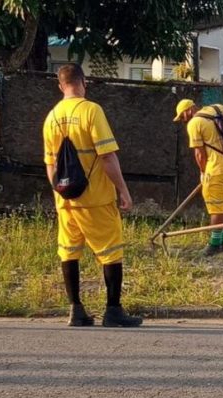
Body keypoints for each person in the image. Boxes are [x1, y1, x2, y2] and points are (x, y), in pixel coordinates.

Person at [43, 63, 142, 327]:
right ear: (83, 82)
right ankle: (113, 310)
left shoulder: (51, 117)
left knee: (69, 251)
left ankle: (76, 310)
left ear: (60, 85)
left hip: (65, 200)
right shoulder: (91, 111)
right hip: (95, 198)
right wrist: (123, 190)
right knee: (110, 252)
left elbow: (50, 164)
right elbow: (107, 156)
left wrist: (60, 193)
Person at [173, 98, 223, 256]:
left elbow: (199, 154)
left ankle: (214, 245)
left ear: (189, 110)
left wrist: (203, 172)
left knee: (216, 209)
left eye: (182, 116)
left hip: (216, 170)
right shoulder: (218, 108)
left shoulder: (195, 123)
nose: (183, 120)